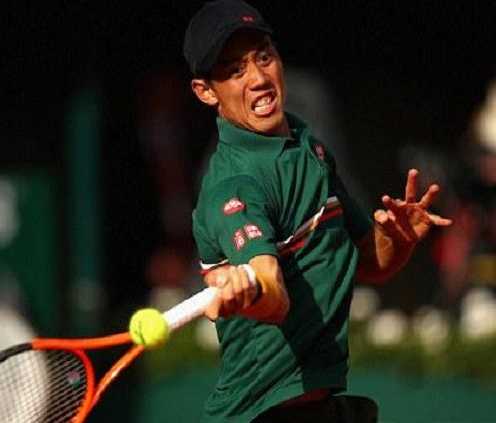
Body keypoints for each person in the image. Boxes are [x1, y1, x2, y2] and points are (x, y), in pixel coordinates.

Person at [183, 1, 452, 422]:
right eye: (235, 71)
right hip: (265, 416)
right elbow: (273, 294)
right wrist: (251, 289)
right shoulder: (232, 187)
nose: (258, 79)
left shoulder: (310, 147)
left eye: (264, 57)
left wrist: (398, 238)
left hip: (319, 406)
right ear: (205, 91)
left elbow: (365, 261)